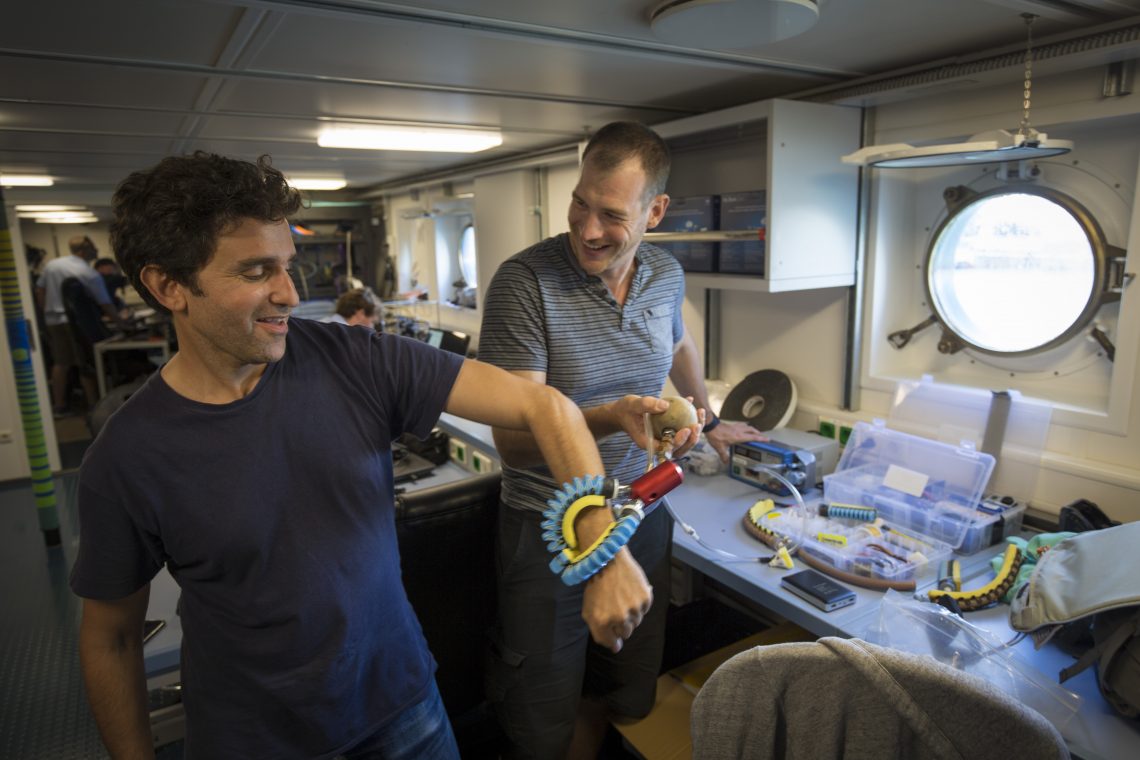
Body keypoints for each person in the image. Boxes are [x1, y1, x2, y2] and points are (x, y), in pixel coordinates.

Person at [69, 151, 611, 760]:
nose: (289, 294)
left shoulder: (354, 358)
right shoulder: (128, 457)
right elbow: (111, 640)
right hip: (254, 742)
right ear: (168, 286)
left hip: (406, 710)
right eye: (255, 273)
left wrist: (602, 543)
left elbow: (545, 407)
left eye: (287, 267)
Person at [478, 121, 767, 759]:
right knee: (539, 710)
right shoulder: (524, 284)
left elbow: (680, 341)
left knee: (628, 688)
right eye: (580, 203)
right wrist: (611, 415)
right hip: (548, 525)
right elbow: (514, 444)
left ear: (656, 211)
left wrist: (710, 420)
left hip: (642, 509)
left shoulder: (665, 273)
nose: (587, 229)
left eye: (611, 214)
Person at [35, 236, 128, 415]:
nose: (97, 251)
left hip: (53, 321)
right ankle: (95, 406)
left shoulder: (53, 265)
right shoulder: (88, 273)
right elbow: (105, 304)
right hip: (76, 324)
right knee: (85, 361)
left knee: (61, 363)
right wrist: (121, 322)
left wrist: (46, 312)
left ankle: (59, 405)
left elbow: (40, 290)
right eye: (94, 247)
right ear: (84, 250)